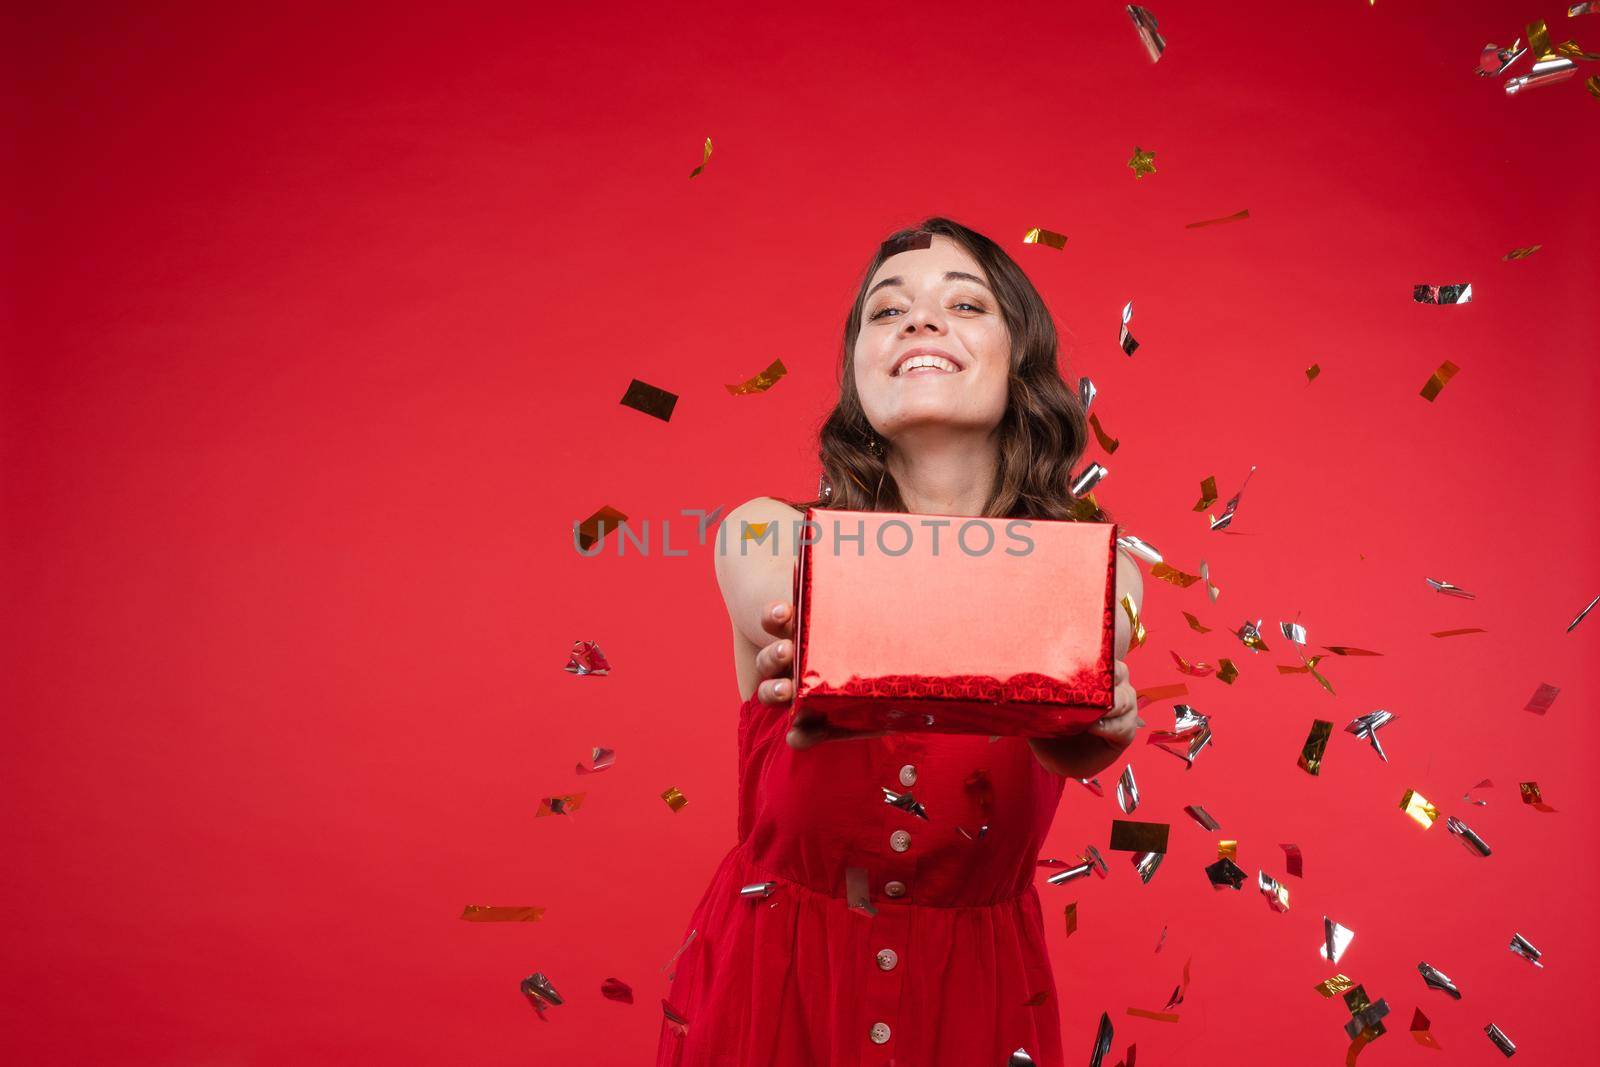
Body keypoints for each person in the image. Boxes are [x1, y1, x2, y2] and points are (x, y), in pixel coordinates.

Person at [656, 217, 1143, 1067]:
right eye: (886, 312)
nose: (918, 322)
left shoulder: (1110, 570)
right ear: (856, 373)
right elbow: (799, 607)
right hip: (772, 999)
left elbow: (1076, 718)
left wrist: (1092, 728)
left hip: (978, 1009)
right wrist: (1051, 663)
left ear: (1019, 359)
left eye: (964, 304)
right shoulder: (763, 534)